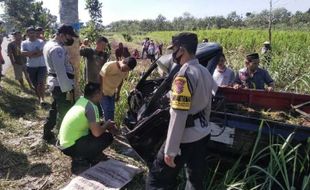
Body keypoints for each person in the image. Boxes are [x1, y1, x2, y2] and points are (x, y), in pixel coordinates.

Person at [146, 32, 216, 189]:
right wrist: (204, 125)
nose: (173, 54)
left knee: (157, 180)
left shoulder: (183, 75)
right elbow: (208, 104)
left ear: (182, 50)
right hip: (203, 133)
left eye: (174, 49)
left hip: (185, 138)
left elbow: (179, 114)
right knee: (194, 180)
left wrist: (170, 150)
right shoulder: (204, 71)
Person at [58, 82, 115, 167]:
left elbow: (91, 122)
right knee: (107, 137)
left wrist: (103, 123)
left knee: (96, 131)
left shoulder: (82, 100)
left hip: (63, 143)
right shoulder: (92, 107)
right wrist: (107, 124)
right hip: (71, 147)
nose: (102, 94)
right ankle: (82, 156)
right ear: (96, 94)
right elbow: (97, 133)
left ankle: (86, 153)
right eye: (101, 92)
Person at [42, 24, 77, 143]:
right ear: (62, 35)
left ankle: (47, 132)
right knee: (65, 112)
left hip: (57, 83)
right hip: (61, 84)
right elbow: (61, 72)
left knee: (55, 109)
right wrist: (68, 89)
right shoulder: (57, 49)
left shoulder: (49, 44)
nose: (70, 39)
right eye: (69, 36)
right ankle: (62, 139)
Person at [99, 57, 137, 121]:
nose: (125, 71)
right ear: (123, 62)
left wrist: (118, 93)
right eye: (125, 68)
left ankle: (109, 126)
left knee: (111, 111)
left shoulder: (126, 71)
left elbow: (121, 81)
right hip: (103, 92)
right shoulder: (110, 65)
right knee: (107, 110)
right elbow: (100, 75)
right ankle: (108, 127)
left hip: (112, 93)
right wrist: (100, 90)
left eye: (128, 70)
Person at [21, 27, 46, 104]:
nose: (32, 34)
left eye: (33, 32)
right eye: (30, 33)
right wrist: (35, 52)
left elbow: (41, 53)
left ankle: (42, 99)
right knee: (35, 85)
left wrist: (30, 54)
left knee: (41, 82)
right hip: (31, 66)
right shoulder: (24, 43)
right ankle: (39, 98)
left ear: (35, 33)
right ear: (27, 34)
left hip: (41, 66)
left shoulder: (41, 41)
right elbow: (22, 53)